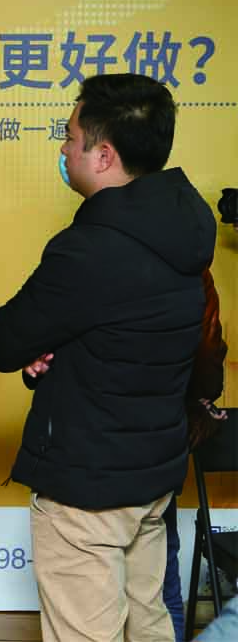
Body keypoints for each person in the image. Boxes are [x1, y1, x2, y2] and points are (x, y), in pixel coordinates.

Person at [0, 73, 217, 642]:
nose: (63, 150)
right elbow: (125, 341)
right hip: (151, 480)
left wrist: (38, 347)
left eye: (69, 137)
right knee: (148, 625)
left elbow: (1, 341)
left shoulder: (89, 249)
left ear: (104, 155)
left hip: (86, 490)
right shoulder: (186, 233)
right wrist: (56, 353)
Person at [163, 268, 227, 641]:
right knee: (160, 582)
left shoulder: (91, 254)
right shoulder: (191, 265)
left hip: (94, 446)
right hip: (162, 439)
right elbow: (207, 354)